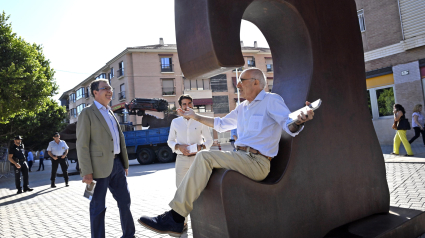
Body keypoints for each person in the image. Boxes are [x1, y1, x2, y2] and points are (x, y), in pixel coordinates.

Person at [137, 68, 315, 237]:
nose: (237, 85)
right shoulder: (243, 107)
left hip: (257, 162)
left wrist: (300, 121)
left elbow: (288, 124)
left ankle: (175, 218)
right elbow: (221, 124)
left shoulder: (271, 100)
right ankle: (177, 218)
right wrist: (195, 116)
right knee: (204, 162)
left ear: (256, 83)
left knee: (205, 156)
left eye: (241, 81)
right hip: (241, 157)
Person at [77, 79, 135, 238]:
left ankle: (129, 235)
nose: (110, 91)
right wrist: (86, 171)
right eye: (105, 88)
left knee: (125, 202)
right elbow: (82, 144)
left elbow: (118, 139)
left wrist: (124, 163)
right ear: (95, 92)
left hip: (117, 165)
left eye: (110, 88)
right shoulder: (87, 113)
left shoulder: (110, 112)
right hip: (96, 170)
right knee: (97, 206)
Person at [167, 94, 213, 227]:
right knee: (180, 191)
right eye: (184, 104)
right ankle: (183, 223)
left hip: (198, 160)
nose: (187, 106)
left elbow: (209, 140)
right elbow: (170, 140)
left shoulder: (200, 120)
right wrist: (178, 147)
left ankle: (202, 222)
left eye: (189, 103)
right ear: (180, 107)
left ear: (193, 105)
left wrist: (202, 146)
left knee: (199, 190)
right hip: (181, 160)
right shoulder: (175, 122)